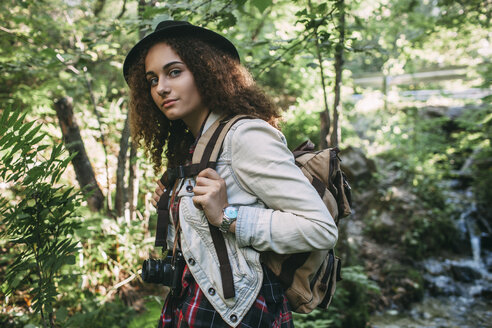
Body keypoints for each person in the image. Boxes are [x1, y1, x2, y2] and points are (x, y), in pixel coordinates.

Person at [123, 20, 338, 328]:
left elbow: (321, 229)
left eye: (174, 72)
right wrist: (168, 206)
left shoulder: (244, 136)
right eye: (152, 79)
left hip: (240, 316)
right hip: (191, 308)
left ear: (206, 70)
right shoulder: (194, 146)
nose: (161, 88)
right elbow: (205, 249)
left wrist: (228, 215)